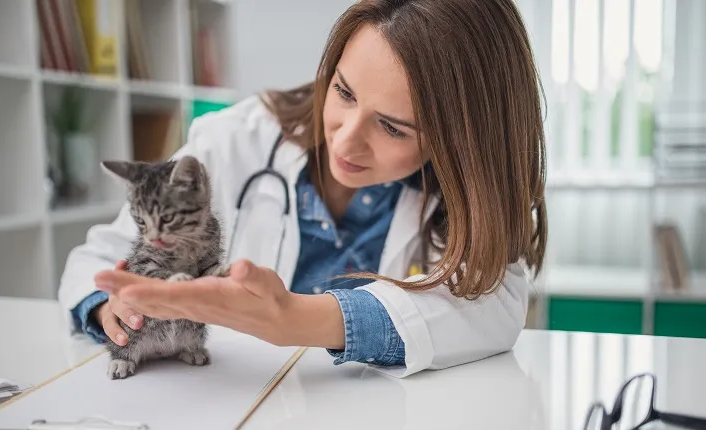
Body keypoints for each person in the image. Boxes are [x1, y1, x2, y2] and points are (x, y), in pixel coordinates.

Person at [58, 0, 547, 378]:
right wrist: (111, 309)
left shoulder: (460, 194)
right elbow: (97, 258)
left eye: (394, 128)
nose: (346, 139)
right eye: (343, 91)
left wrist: (297, 318)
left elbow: (496, 305)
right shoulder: (235, 140)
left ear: (460, 140)